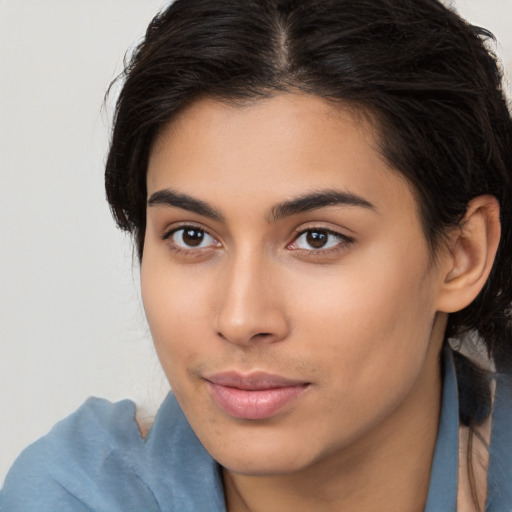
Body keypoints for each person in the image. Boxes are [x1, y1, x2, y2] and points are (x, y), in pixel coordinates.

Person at [1, 0, 511, 510]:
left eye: (317, 238)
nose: (241, 319)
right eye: (192, 236)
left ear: (462, 254)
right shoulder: (74, 495)